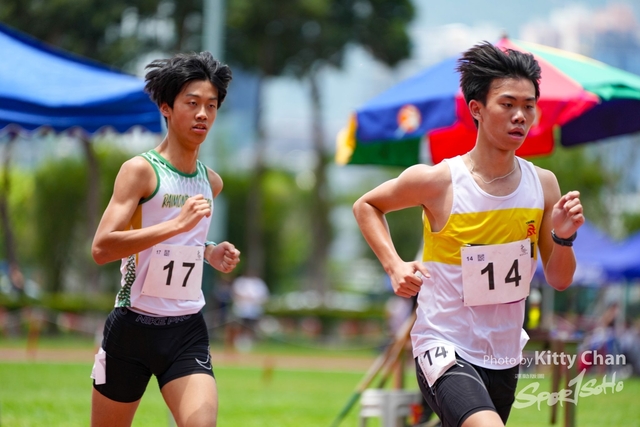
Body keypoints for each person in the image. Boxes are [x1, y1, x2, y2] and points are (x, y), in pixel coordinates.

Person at [353, 41, 584, 427]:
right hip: (444, 345)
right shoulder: (439, 181)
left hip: (504, 354)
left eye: (529, 106)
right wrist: (394, 266)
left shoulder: (543, 185)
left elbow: (560, 279)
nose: (520, 116)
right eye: (507, 104)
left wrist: (563, 237)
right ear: (476, 109)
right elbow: (367, 206)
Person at [89, 51, 240, 427]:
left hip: (187, 329)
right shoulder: (140, 171)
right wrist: (176, 224)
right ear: (166, 108)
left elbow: (183, 246)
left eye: (211, 105)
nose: (202, 114)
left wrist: (209, 252)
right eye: (192, 103)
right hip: (131, 328)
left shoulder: (211, 182)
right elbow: (102, 248)